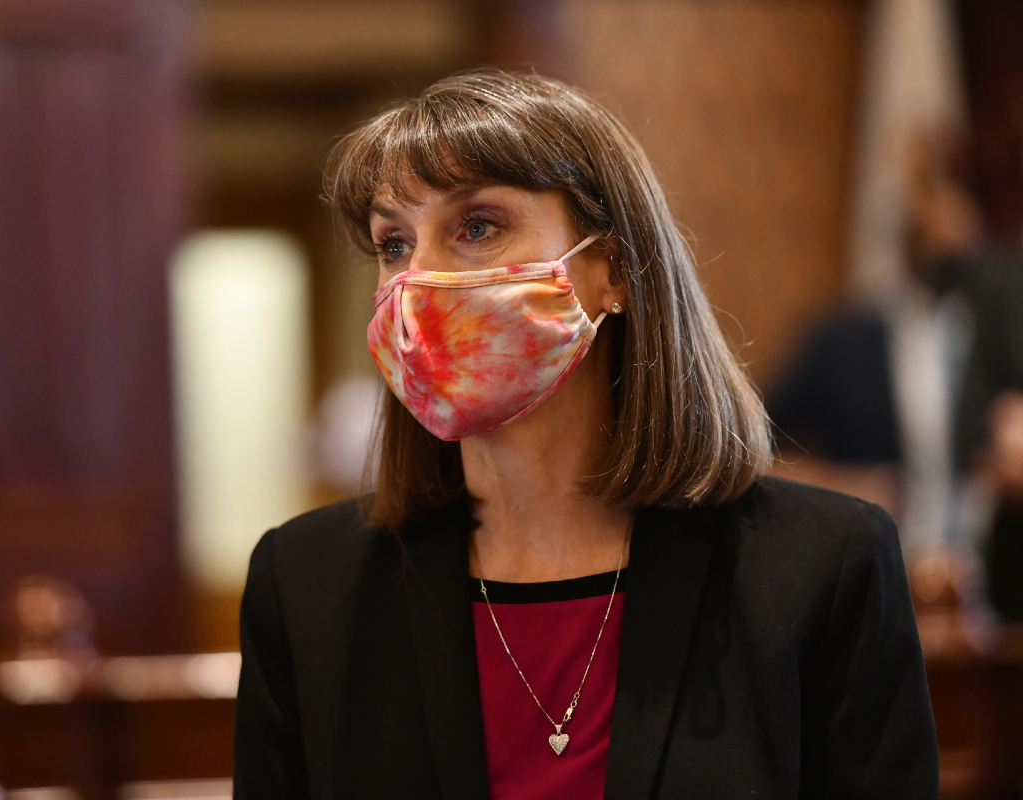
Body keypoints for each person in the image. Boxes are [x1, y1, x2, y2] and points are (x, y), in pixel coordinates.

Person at [234, 69, 938, 800]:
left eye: (477, 227)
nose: (419, 280)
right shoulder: (306, 584)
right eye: (393, 243)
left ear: (615, 269)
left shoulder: (824, 567)